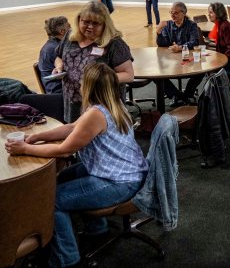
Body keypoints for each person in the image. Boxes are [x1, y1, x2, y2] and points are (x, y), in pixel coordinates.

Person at [5, 63, 148, 267]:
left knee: (51, 200)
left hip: (119, 182)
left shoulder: (95, 115)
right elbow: (73, 127)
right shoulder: (111, 103)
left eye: (82, 81)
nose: (80, 84)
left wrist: (25, 149)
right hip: (126, 172)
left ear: (88, 86)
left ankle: (67, 258)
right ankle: (97, 228)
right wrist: (37, 137)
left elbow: (64, 150)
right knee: (60, 179)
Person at [54, 1, 134, 123]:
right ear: (79, 20)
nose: (90, 26)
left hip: (101, 106)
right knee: (74, 130)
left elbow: (128, 75)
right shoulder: (70, 36)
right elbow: (59, 57)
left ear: (105, 24)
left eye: (96, 23)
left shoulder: (114, 43)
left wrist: (98, 80)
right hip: (73, 102)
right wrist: (59, 67)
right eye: (86, 22)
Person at [156, 1, 201, 106]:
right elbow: (162, 44)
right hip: (172, 59)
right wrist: (158, 31)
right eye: (171, 12)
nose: (173, 15)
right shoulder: (168, 25)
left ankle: (187, 94)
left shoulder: (191, 25)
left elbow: (195, 41)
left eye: (176, 13)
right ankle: (175, 94)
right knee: (156, 75)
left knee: (201, 72)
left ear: (183, 13)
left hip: (188, 58)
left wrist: (181, 47)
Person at [38, 16, 70, 94]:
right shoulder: (55, 48)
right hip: (59, 92)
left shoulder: (52, 45)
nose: (72, 30)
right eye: (69, 27)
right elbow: (60, 65)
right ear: (62, 31)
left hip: (56, 89)